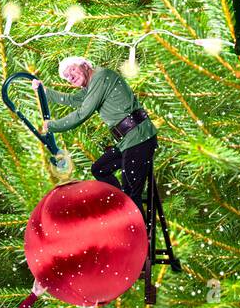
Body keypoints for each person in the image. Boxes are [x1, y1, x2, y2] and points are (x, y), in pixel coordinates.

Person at [36, 58, 158, 215]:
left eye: (72, 70)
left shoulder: (101, 77)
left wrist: (51, 126)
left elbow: (82, 113)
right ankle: (122, 203)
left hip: (139, 139)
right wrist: (44, 92)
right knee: (100, 169)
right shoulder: (93, 85)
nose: (70, 77)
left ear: (85, 65)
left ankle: (139, 232)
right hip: (128, 142)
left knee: (132, 194)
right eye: (67, 76)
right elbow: (73, 100)